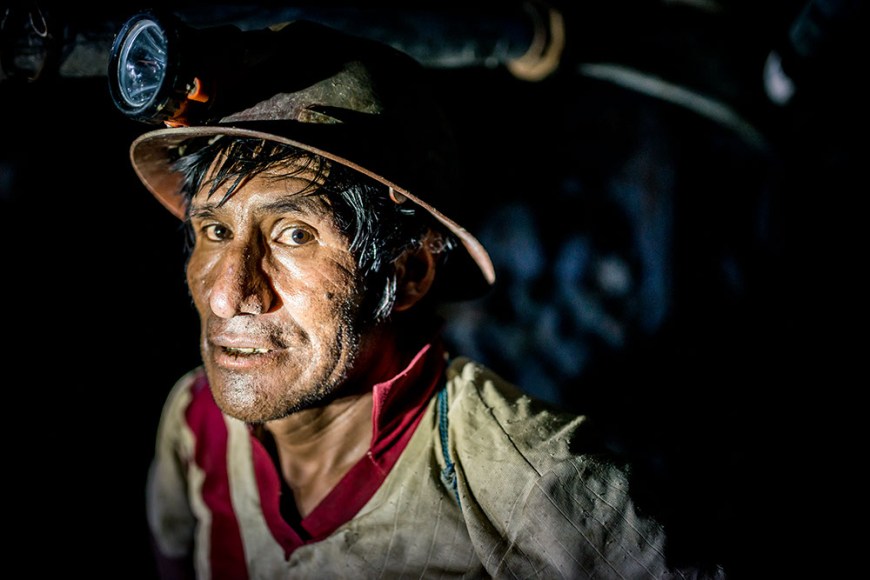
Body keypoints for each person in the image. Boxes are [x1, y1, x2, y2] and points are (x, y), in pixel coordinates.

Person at [122, 15, 725, 580]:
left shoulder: (524, 479)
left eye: (295, 235)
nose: (228, 294)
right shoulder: (196, 419)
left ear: (408, 273)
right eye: (215, 231)